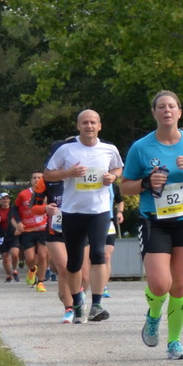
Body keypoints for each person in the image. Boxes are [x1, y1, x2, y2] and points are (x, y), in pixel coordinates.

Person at [121, 91, 183, 358]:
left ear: (179, 112)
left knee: (180, 286)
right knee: (161, 284)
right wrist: (146, 183)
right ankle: (153, 315)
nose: (167, 110)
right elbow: (125, 188)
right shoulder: (141, 147)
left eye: (172, 106)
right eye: (161, 107)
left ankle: (174, 342)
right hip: (155, 222)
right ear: (154, 113)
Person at [44, 109, 124, 324]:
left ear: (100, 126)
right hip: (73, 211)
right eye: (85, 122)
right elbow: (48, 174)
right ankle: (78, 301)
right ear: (78, 126)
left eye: (93, 122)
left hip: (99, 211)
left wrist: (112, 177)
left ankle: (97, 304)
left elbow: (118, 168)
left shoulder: (109, 149)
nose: (89, 126)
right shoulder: (66, 150)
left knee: (99, 254)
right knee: (75, 261)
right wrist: (68, 173)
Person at [12, 170, 54, 290]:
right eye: (34, 178)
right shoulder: (23, 194)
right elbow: (14, 209)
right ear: (31, 180)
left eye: (40, 178)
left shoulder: (49, 194)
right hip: (28, 230)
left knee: (42, 255)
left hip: (43, 228)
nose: (37, 180)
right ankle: (32, 269)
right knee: (30, 258)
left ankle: (40, 282)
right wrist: (19, 222)